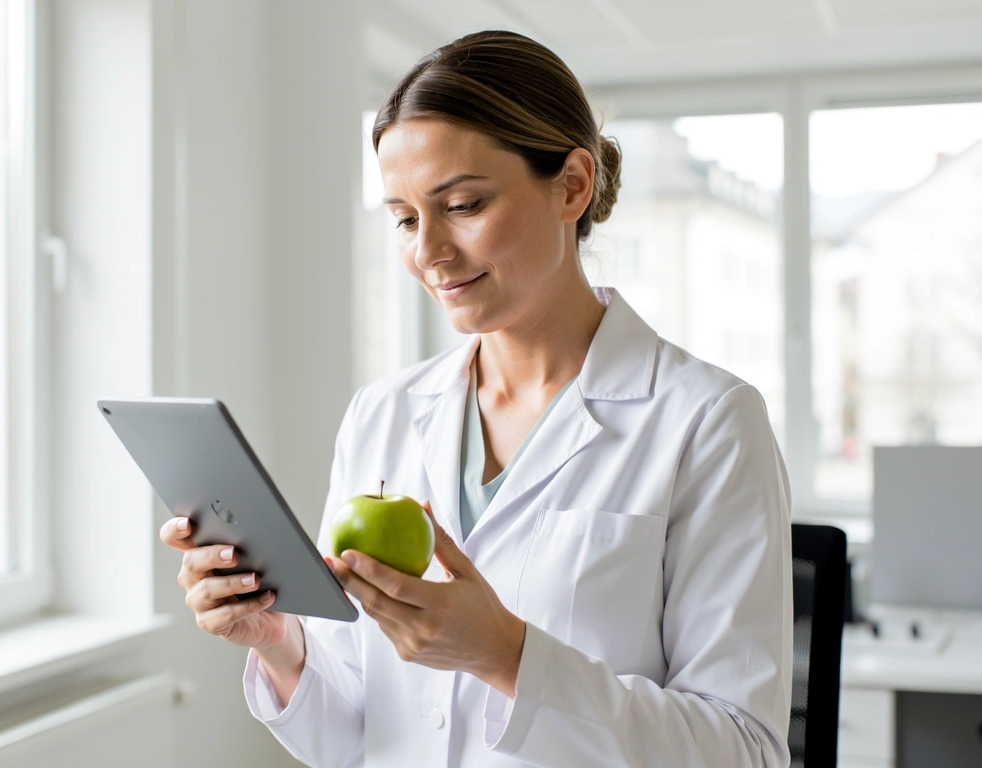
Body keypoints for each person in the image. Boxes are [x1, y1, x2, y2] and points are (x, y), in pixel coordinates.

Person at [160, 29, 793, 767]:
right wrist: (277, 644)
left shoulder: (707, 423)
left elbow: (745, 750)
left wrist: (509, 656)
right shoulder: (383, 415)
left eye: (461, 204)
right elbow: (363, 733)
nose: (428, 251)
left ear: (573, 185)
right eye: (403, 218)